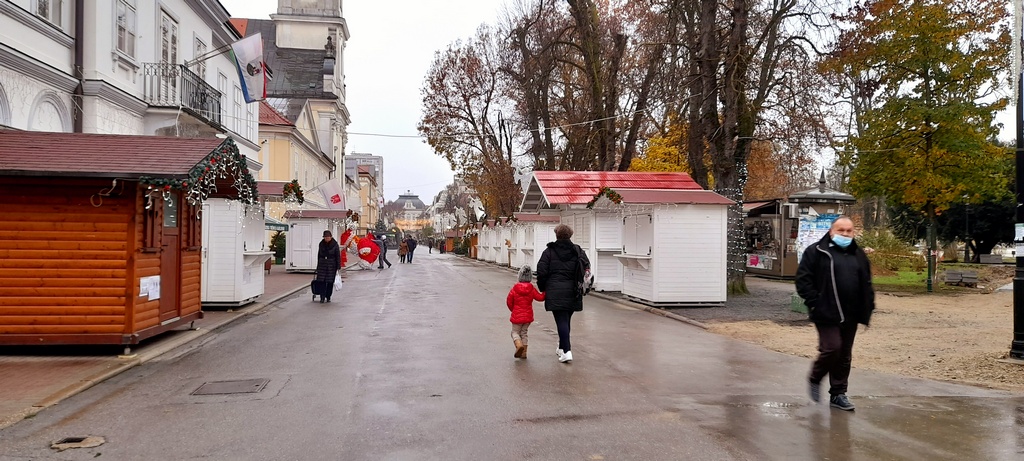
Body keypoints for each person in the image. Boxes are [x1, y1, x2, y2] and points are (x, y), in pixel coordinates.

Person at [796, 216, 875, 411]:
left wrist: (868, 306)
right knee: (832, 348)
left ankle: (838, 394)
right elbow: (803, 280)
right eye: (841, 230)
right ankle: (815, 377)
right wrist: (816, 302)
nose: (845, 234)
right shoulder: (816, 251)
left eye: (849, 231)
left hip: (851, 313)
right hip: (826, 311)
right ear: (832, 231)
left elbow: (866, 282)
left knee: (844, 355)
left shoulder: (858, 254)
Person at [536, 224, 590, 363]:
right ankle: (561, 347)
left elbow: (541, 271)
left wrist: (543, 288)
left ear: (556, 235)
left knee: (561, 320)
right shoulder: (578, 251)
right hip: (573, 290)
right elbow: (586, 267)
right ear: (570, 235)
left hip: (555, 290)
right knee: (565, 320)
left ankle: (567, 351)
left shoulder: (549, 252)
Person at [507, 265, 545, 359]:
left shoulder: (515, 289)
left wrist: (513, 310)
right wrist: (545, 291)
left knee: (515, 332)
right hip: (528, 316)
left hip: (517, 315)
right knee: (524, 333)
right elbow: (540, 298)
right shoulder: (531, 289)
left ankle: (519, 345)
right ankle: (524, 353)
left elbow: (509, 302)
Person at [315, 230, 341, 303]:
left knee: (330, 282)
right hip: (322, 264)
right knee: (321, 282)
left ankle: (328, 296)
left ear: (331, 237)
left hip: (331, 265)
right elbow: (319, 255)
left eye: (328, 237)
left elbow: (337, 256)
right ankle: (322, 297)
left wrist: (338, 266)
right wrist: (318, 265)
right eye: (325, 237)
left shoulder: (335, 244)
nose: (327, 239)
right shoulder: (321, 244)